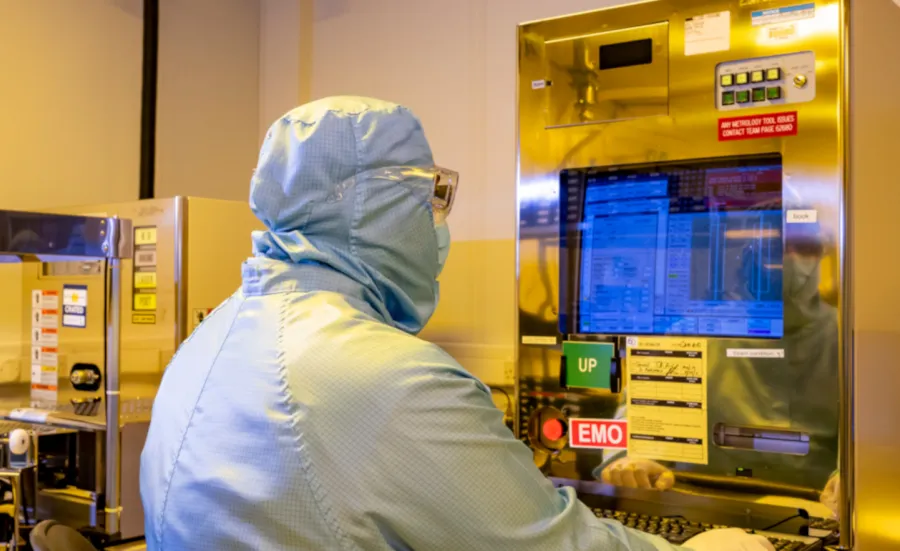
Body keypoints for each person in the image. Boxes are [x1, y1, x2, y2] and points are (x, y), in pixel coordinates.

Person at [140, 96, 773, 550]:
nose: (438, 226)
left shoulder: (210, 337)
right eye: (430, 200)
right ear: (374, 208)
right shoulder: (390, 381)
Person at [597, 234, 841, 517]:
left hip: (816, 512)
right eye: (773, 248)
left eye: (804, 246)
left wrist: (854, 477)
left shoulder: (849, 338)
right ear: (745, 257)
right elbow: (637, 418)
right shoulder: (693, 332)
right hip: (702, 503)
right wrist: (631, 461)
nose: (787, 259)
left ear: (823, 255)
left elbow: (874, 438)